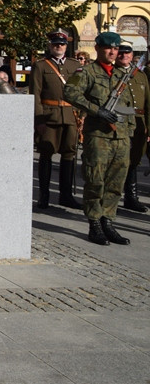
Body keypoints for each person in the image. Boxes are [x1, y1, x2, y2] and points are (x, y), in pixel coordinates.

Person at [64, 31, 136, 245]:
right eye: (108, 48)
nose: (113, 51)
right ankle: (94, 223)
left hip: (121, 137)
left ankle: (108, 221)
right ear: (97, 48)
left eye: (115, 48)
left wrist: (129, 130)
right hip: (98, 136)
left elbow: (129, 104)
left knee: (116, 182)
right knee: (95, 180)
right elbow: (70, 92)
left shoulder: (122, 74)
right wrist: (96, 110)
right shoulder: (86, 72)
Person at [30, 29, 82, 209]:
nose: (58, 46)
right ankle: (44, 195)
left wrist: (80, 116)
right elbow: (35, 94)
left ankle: (65, 195)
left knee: (69, 155)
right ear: (50, 46)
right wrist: (39, 120)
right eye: (55, 44)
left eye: (61, 44)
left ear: (66, 46)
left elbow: (78, 93)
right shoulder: (41, 66)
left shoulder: (75, 66)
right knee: (46, 153)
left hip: (70, 116)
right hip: (49, 116)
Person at [115, 42, 148, 213]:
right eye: (121, 53)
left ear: (132, 54)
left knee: (134, 160)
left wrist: (148, 126)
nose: (124, 56)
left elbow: (148, 102)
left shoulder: (140, 76)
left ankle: (131, 197)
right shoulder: (111, 73)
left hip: (139, 123)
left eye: (127, 53)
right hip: (121, 121)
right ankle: (113, 198)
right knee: (120, 160)